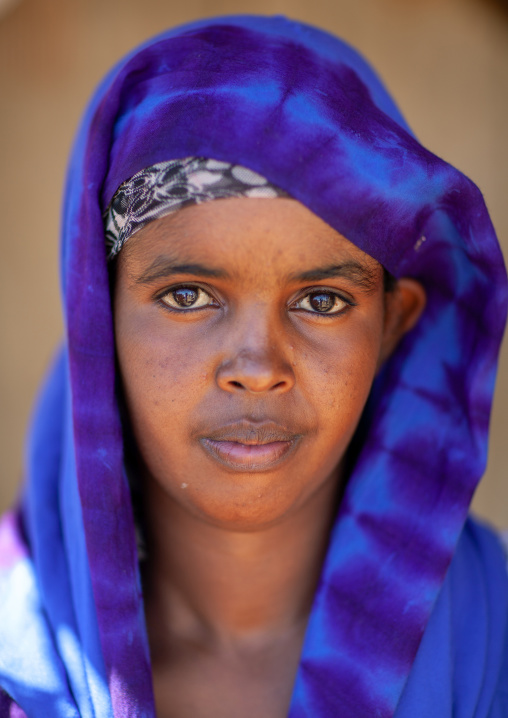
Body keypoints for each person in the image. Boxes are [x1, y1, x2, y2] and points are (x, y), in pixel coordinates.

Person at [0, 14, 507, 718]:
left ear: (393, 323)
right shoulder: (15, 661)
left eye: (323, 300)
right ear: (99, 322)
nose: (258, 366)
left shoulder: (492, 645)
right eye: (187, 295)